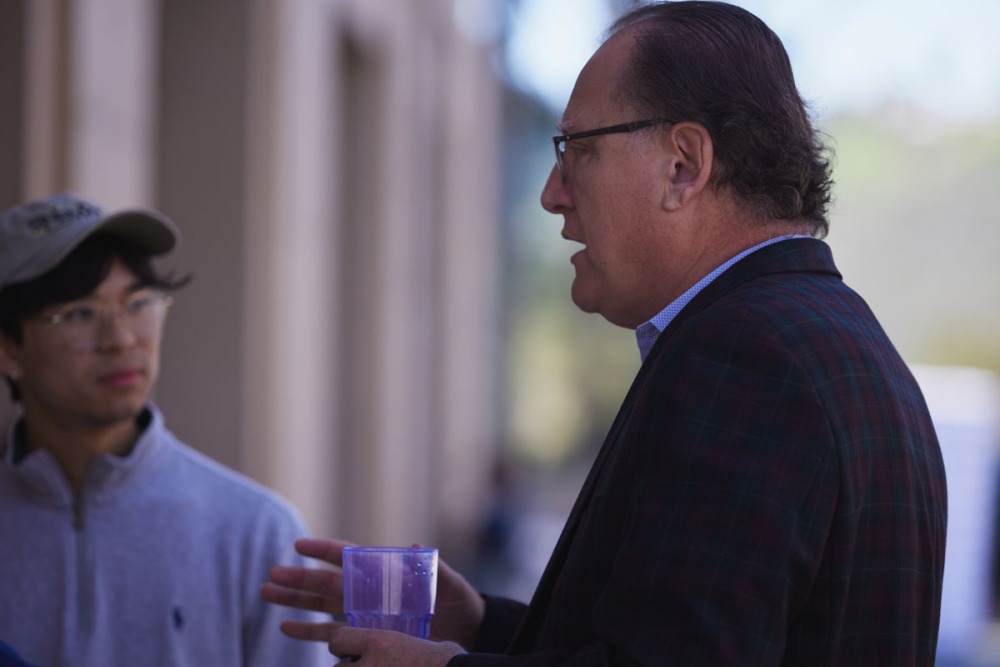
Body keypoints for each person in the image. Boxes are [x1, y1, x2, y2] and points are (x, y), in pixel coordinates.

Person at [261, 1, 947, 665]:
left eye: (576, 150)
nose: (553, 193)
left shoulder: (747, 357)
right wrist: (479, 625)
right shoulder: (842, 344)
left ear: (683, 165)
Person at [0, 192, 330, 666]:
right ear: (8, 348)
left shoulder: (256, 532)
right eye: (79, 314)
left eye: (139, 303)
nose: (122, 339)